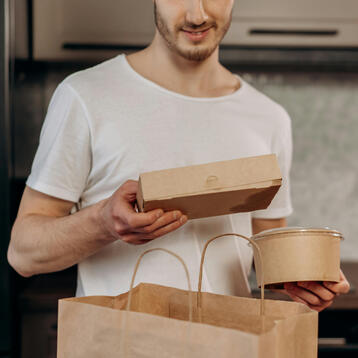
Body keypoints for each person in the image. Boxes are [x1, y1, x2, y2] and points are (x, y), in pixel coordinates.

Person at [8, 0, 349, 311]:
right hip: (120, 346)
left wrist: (305, 273)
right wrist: (102, 222)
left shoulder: (268, 117)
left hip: (230, 347)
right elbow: (23, 253)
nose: (197, 15)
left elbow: (267, 252)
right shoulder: (85, 96)